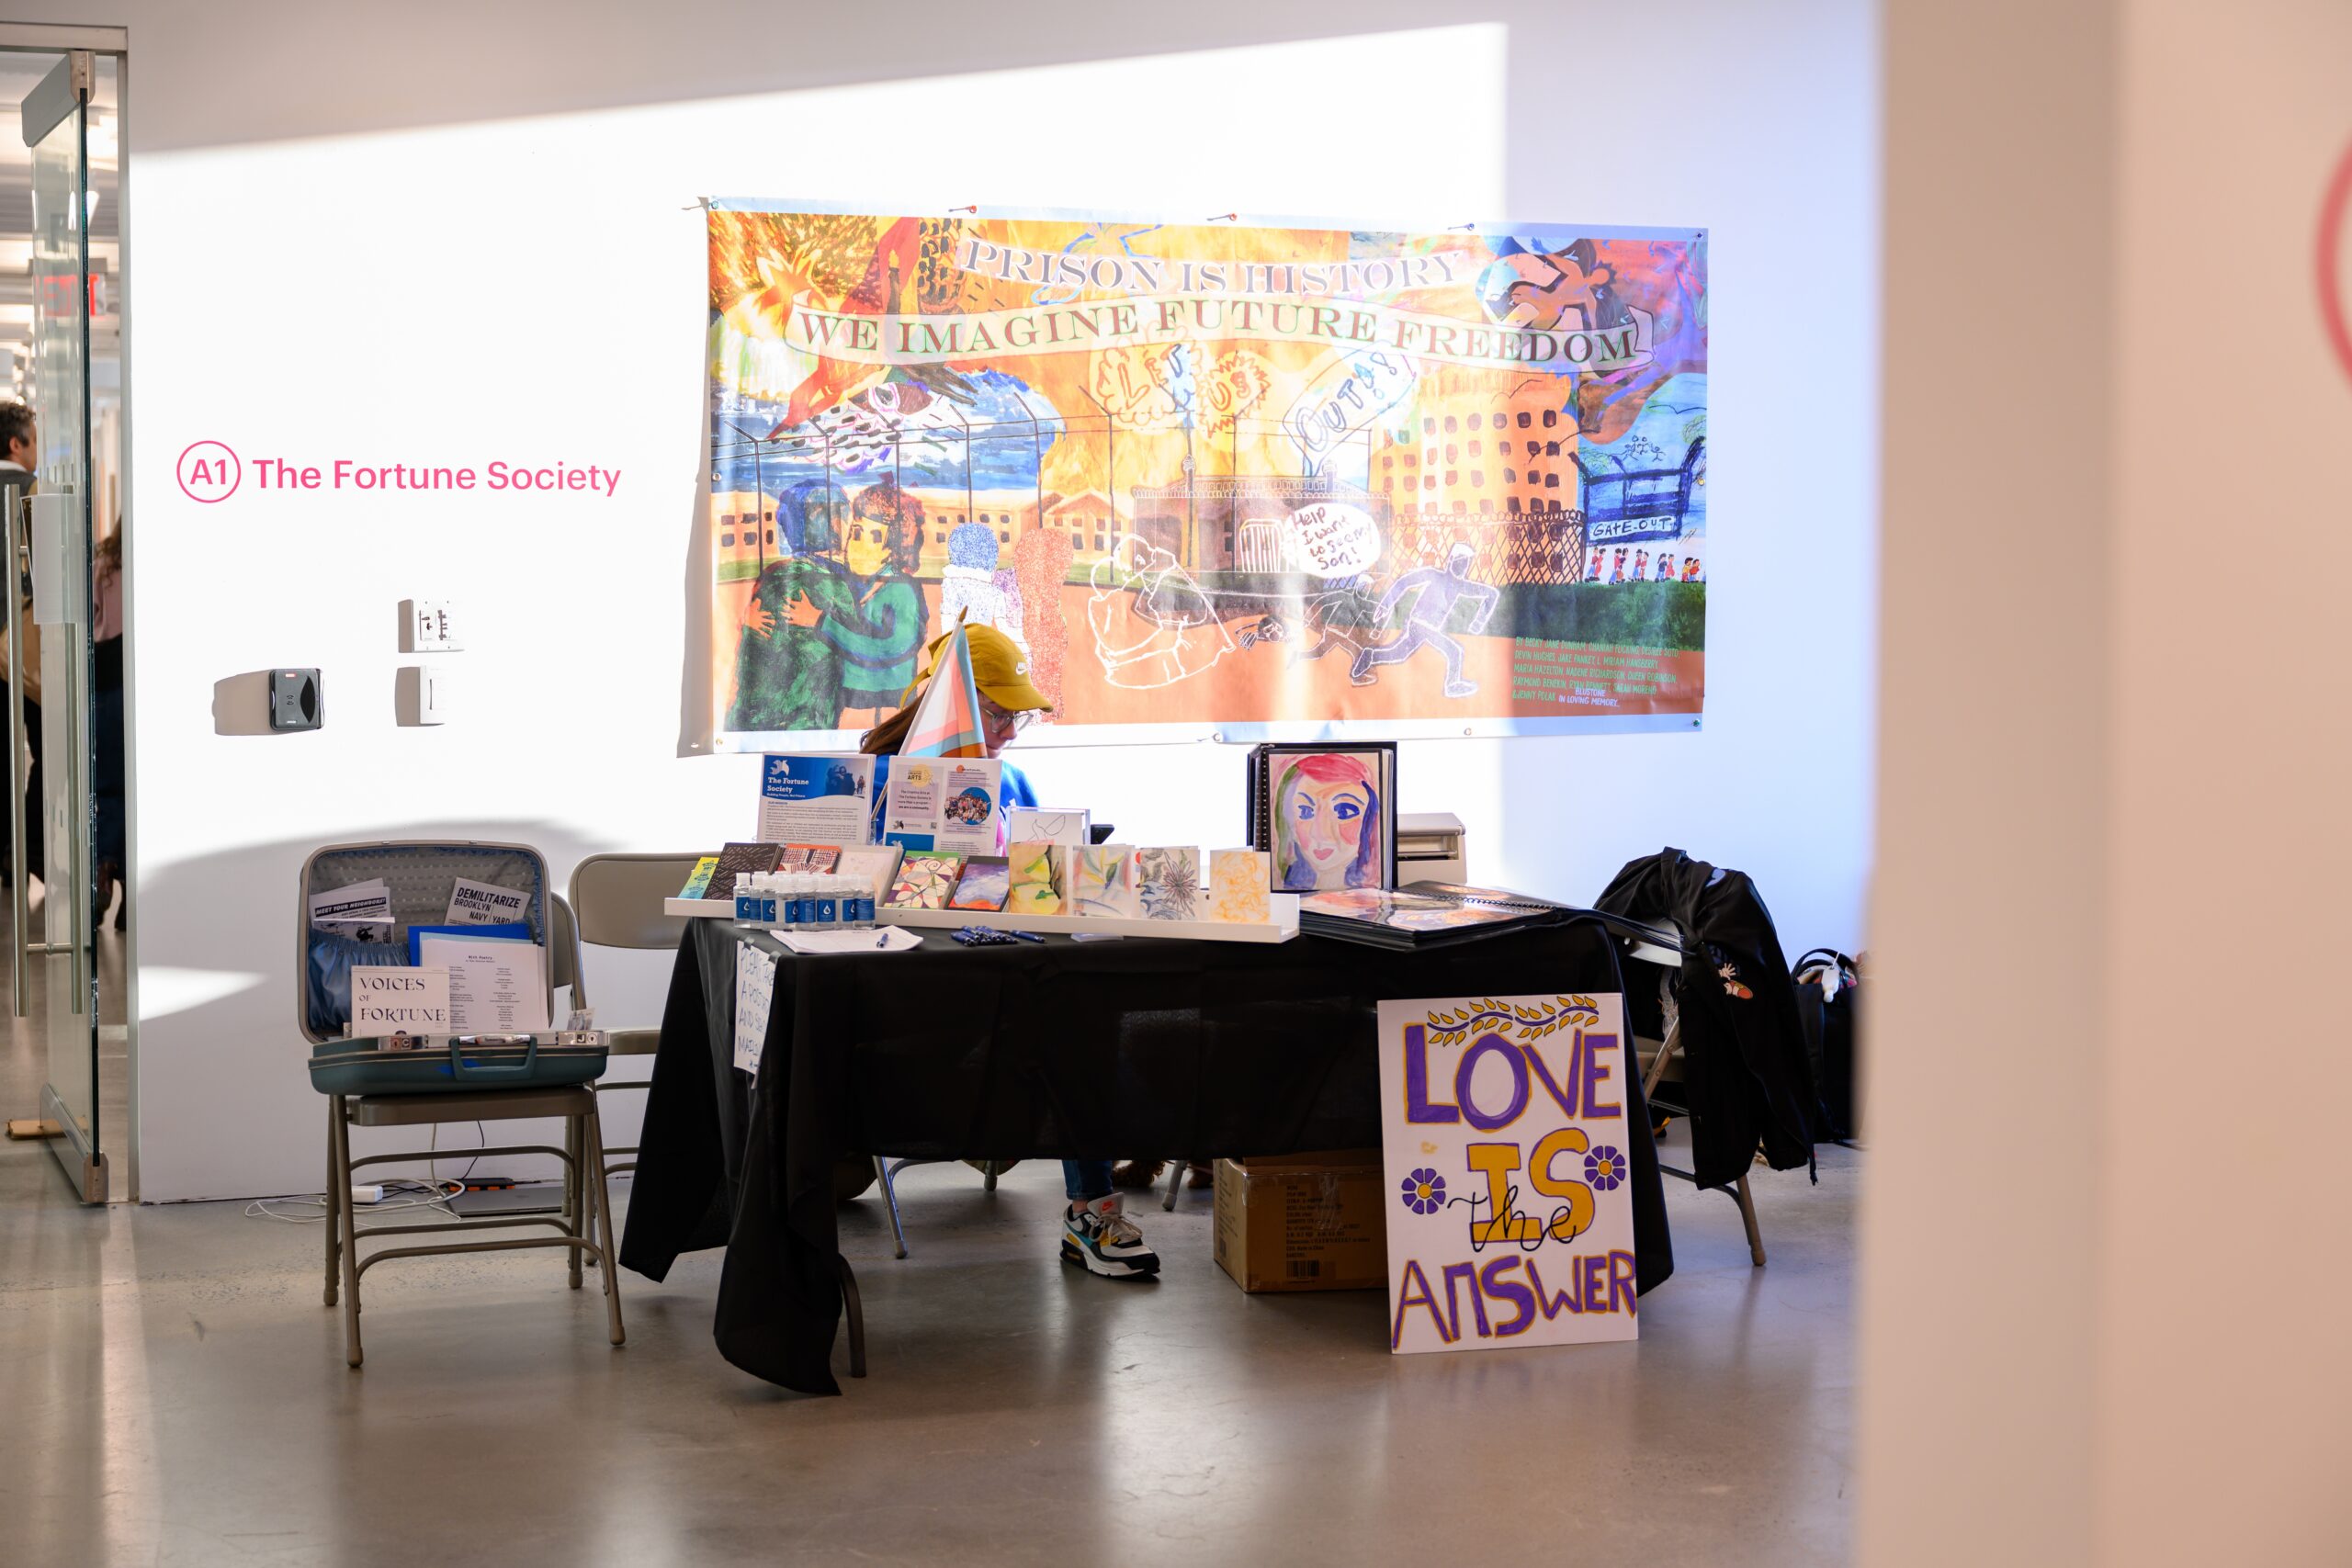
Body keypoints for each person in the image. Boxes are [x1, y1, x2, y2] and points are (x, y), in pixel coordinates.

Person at [861, 622, 1161, 1280]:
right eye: (997, 713)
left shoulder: (1014, 781)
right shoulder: (871, 782)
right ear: (950, 705)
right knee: (1072, 1026)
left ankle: (1091, 1212)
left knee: (1085, 1014)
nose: (1010, 731)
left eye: (1017, 715)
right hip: (903, 988)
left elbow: (1039, 888)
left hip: (1002, 981)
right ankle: (1090, 1209)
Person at [0, 402, 40, 891]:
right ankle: (22, 851)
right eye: (34, 438)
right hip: (26, 649)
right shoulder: (34, 494)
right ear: (17, 443)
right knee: (44, 751)